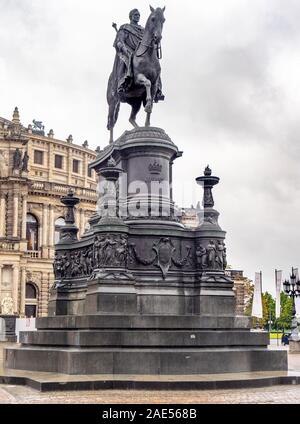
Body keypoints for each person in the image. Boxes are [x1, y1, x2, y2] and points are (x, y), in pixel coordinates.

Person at [112, 8, 164, 101]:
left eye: (138, 15)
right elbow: (119, 41)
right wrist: (124, 48)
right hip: (129, 50)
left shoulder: (143, 30)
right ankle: (123, 82)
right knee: (128, 59)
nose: (137, 17)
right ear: (131, 16)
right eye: (135, 15)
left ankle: (158, 89)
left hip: (142, 52)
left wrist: (155, 42)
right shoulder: (125, 27)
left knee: (155, 65)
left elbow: (149, 40)